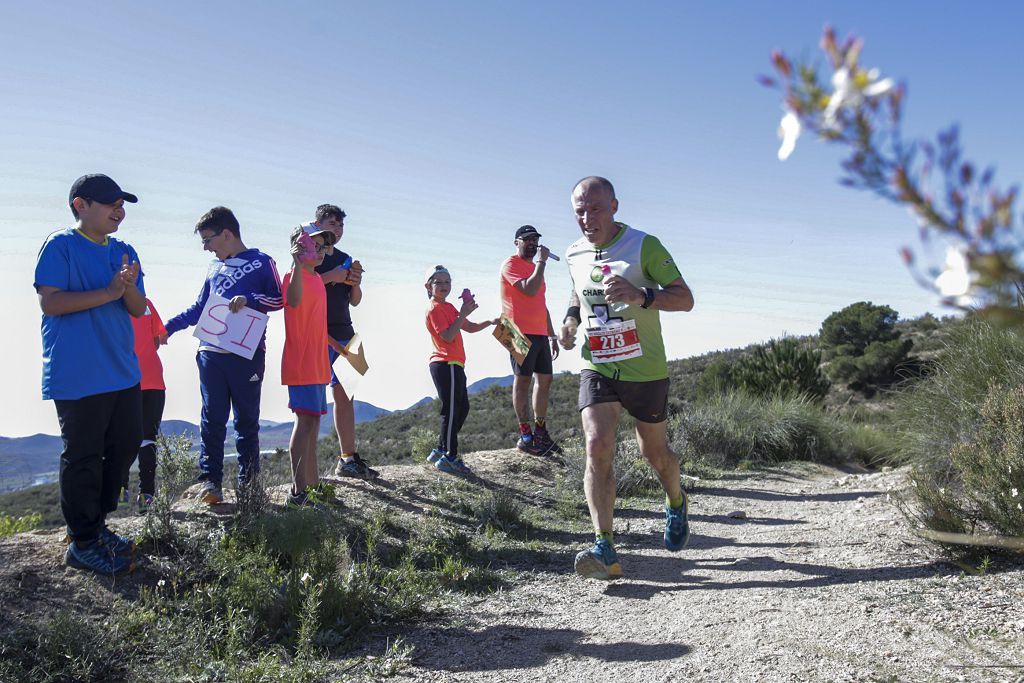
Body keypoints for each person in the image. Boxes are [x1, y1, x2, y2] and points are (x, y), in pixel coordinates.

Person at [560, 176, 695, 580]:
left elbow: (685, 299)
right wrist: (568, 322)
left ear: (615, 206)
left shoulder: (643, 245)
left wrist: (642, 296)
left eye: (596, 209)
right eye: (580, 211)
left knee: (653, 455)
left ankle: (675, 501)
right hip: (597, 364)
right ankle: (604, 547)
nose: (587, 218)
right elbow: (577, 292)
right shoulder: (574, 252)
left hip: (645, 368)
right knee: (596, 444)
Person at [34, 173, 145, 575]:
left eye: (122, 203)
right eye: (110, 203)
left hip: (122, 371)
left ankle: (94, 526)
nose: (120, 210)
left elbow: (137, 308)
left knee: (125, 444)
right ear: (80, 205)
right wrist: (110, 291)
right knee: (82, 456)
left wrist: (127, 286)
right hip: (78, 373)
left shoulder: (125, 251)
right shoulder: (60, 245)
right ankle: (82, 542)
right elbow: (52, 303)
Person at [165, 207, 283, 504]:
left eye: (208, 240)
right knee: (212, 418)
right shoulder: (213, 268)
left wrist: (250, 299)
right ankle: (210, 482)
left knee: (246, 421)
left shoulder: (261, 262)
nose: (206, 247)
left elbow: (279, 298)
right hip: (210, 353)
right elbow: (198, 309)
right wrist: (166, 328)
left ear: (227, 234)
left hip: (247, 354)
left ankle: (249, 486)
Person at [307, 204, 377, 480]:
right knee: (312, 401)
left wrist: (355, 282)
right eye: (332, 223)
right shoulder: (309, 255)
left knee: (346, 397)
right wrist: (331, 277)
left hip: (347, 332)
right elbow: (300, 289)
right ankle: (308, 470)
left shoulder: (347, 257)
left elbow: (355, 301)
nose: (337, 229)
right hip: (316, 333)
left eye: (340, 225)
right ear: (317, 223)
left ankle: (348, 458)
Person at [282, 225, 345, 506]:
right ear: (299, 246)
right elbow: (293, 301)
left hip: (319, 361)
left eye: (323, 247)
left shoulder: (317, 279)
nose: (321, 251)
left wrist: (336, 345)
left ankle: (314, 487)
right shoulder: (293, 276)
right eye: (315, 245)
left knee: (314, 422)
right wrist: (296, 263)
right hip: (301, 361)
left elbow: (317, 322)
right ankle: (298, 492)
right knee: (305, 421)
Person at [423, 265, 498, 475]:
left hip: (455, 364)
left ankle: (440, 449)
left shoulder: (448, 308)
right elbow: (447, 336)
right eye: (439, 282)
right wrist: (463, 312)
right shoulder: (434, 308)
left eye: (447, 282)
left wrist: (490, 321)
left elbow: (469, 327)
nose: (444, 285)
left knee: (461, 408)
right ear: (428, 286)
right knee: (451, 409)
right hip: (444, 363)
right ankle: (450, 455)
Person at [499, 224, 561, 456]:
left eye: (535, 240)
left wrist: (552, 333)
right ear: (517, 242)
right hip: (513, 329)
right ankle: (525, 435)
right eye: (527, 240)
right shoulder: (511, 264)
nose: (533, 244)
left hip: (539, 331)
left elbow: (540, 304)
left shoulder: (535, 268)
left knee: (545, 379)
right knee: (522, 380)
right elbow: (529, 289)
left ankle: (541, 433)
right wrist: (542, 263)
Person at [120, 296, 168, 512]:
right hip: (152, 378)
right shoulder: (145, 303)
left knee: (121, 438)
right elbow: (157, 340)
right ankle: (146, 497)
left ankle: (119, 494)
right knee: (148, 440)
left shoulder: (110, 303)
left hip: (123, 379)